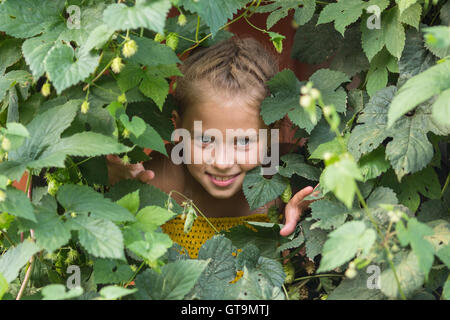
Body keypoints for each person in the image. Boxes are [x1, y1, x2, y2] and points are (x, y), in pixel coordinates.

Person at [107, 36, 315, 258]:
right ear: (177, 129)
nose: (222, 162)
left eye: (244, 141)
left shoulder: (290, 177)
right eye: (205, 140)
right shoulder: (157, 181)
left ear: (271, 133)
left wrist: (310, 215)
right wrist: (113, 185)